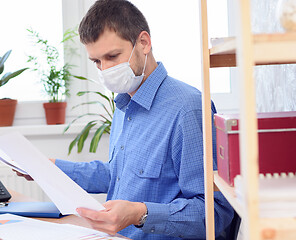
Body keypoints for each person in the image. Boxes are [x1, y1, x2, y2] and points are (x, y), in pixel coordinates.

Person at [19, 0, 234, 239]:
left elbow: (216, 212)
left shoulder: (188, 108)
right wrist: (51, 168)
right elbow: (119, 175)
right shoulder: (123, 104)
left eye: (112, 56)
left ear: (143, 43)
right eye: (97, 61)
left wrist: (140, 213)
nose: (105, 69)